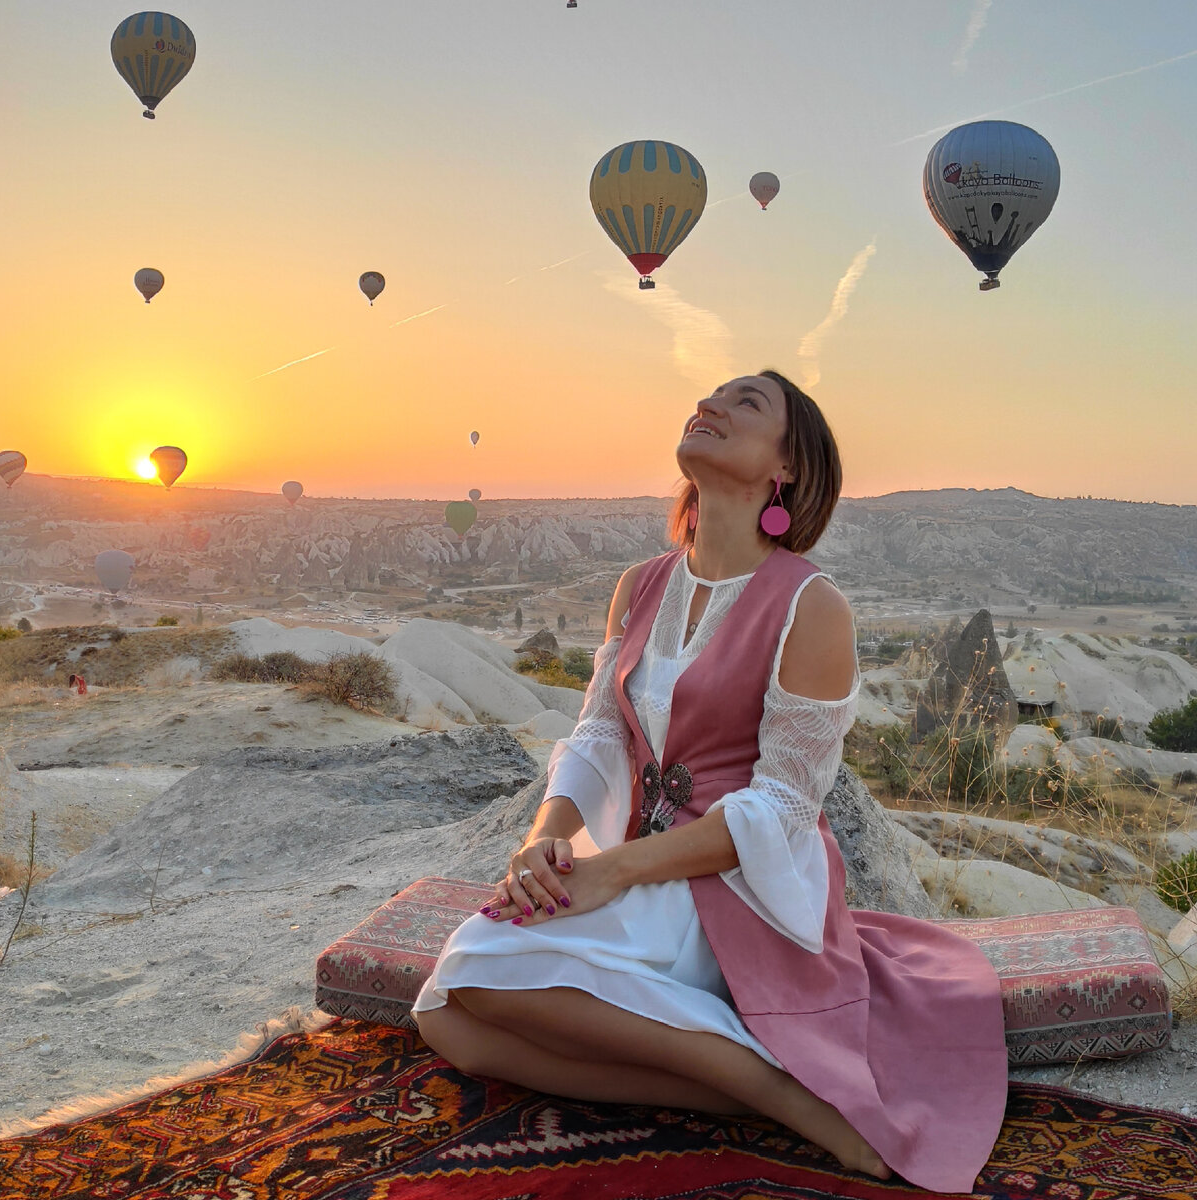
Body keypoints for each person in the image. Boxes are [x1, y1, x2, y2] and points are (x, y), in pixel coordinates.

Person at [412, 371, 1008, 1192]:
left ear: (786, 468)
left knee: (483, 964)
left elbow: (785, 805)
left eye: (746, 404)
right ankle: (757, 1090)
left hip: (733, 885)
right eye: (710, 396)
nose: (712, 406)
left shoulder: (811, 605)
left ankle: (785, 1091)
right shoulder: (644, 585)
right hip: (630, 868)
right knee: (445, 1015)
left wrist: (607, 873)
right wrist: (545, 842)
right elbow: (599, 731)